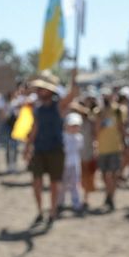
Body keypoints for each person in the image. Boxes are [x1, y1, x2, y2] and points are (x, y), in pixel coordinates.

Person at [24, 72, 76, 226]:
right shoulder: (37, 108)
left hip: (55, 149)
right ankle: (40, 211)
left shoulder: (58, 106)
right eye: (38, 89)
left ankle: (52, 211)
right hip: (39, 149)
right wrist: (27, 147)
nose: (39, 91)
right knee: (36, 181)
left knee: (55, 183)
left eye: (42, 89)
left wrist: (74, 78)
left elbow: (72, 94)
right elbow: (34, 129)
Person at [94, 95, 127, 211]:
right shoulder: (98, 112)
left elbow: (121, 128)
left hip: (115, 147)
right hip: (102, 148)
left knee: (112, 174)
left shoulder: (118, 111)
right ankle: (109, 194)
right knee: (104, 175)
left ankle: (111, 198)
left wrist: (124, 143)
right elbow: (96, 130)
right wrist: (101, 118)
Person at [60, 113, 85, 215]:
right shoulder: (63, 136)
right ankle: (60, 202)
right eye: (72, 126)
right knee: (62, 185)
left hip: (74, 163)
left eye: (76, 126)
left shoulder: (79, 137)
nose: (74, 128)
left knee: (75, 184)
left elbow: (79, 149)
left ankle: (76, 203)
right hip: (64, 164)